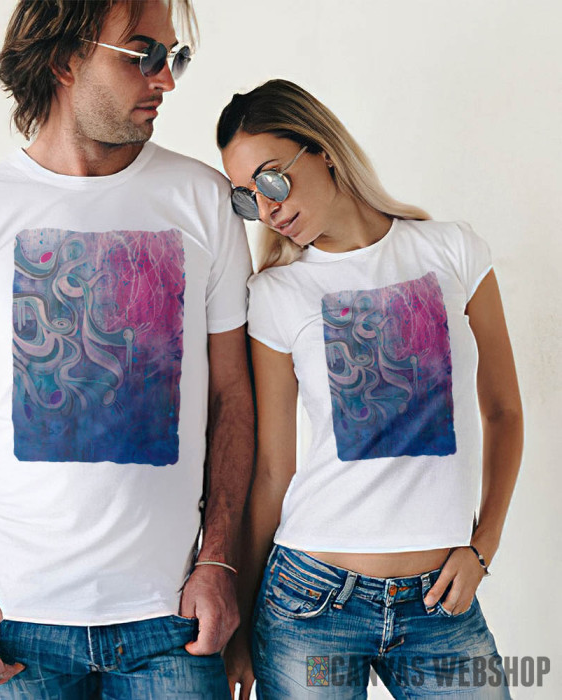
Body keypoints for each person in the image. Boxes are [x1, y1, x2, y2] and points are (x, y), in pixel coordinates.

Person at [0, 1, 253, 697]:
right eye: (144, 54)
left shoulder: (203, 200)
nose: (166, 79)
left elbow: (232, 398)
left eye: (175, 58)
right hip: (14, 621)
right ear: (65, 60)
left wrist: (219, 561)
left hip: (172, 616)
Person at [217, 79, 523, 699]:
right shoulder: (276, 295)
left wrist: (483, 547)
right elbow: (273, 470)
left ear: (323, 151)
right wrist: (241, 624)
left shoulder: (452, 250)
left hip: (441, 601)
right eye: (248, 198)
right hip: (311, 601)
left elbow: (504, 411)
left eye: (272, 179)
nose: (268, 209)